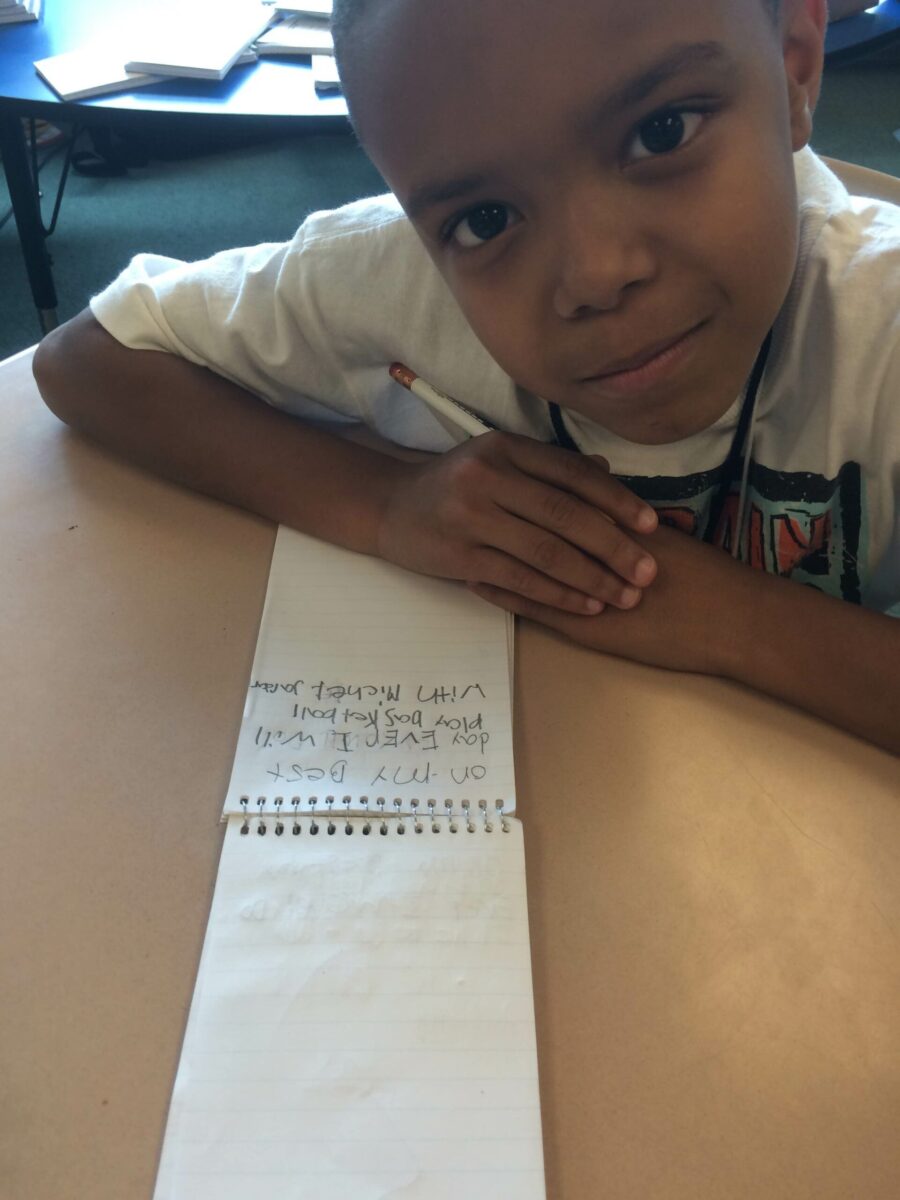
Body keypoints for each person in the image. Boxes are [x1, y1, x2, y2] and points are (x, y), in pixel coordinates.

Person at [33, 0, 900, 754]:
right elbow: (88, 359)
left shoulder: (879, 325)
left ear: (795, 65)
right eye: (486, 220)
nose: (595, 275)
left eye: (662, 131)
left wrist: (732, 619)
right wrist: (384, 505)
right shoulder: (395, 277)